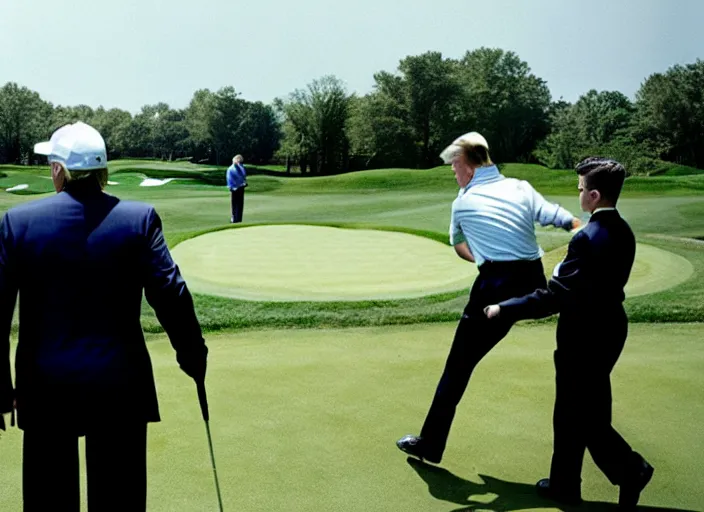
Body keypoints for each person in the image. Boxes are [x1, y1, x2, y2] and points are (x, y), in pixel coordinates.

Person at [0, 121, 209, 511]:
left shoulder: (18, 223)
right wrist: (192, 355)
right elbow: (172, 293)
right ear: (101, 171)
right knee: (119, 502)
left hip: (45, 387)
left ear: (59, 170)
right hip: (120, 387)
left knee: (49, 502)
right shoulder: (139, 219)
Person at [396, 131, 581, 465]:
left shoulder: (463, 202)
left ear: (467, 165)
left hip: (493, 288)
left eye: (454, 166)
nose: (453, 173)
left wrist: (482, 257)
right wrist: (576, 226)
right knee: (538, 307)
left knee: (457, 367)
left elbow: (459, 246)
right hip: (534, 285)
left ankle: (430, 444)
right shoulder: (521, 187)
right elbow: (556, 216)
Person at [484, 157, 654, 509]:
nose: (577, 195)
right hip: (609, 327)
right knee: (574, 410)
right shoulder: (623, 230)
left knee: (583, 416)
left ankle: (631, 469)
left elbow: (555, 296)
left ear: (593, 195)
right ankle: (564, 484)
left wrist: (506, 308)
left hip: (584, 334)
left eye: (580, 190)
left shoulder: (587, 239)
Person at [226, 154, 248, 223]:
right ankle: (237, 219)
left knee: (236, 204)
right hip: (238, 188)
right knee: (238, 204)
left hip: (237, 188)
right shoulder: (239, 168)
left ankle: (236, 219)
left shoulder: (237, 168)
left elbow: (242, 177)